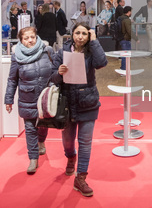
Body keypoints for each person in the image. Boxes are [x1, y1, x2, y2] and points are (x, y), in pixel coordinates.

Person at [51, 22, 108, 197]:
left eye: (84, 33)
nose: (81, 36)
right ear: (72, 34)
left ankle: (81, 177)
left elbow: (102, 63)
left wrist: (95, 41)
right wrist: (59, 73)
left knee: (85, 142)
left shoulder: (91, 51)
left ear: (88, 35)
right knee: (68, 140)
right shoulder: (62, 52)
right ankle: (70, 157)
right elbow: (52, 77)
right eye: (78, 33)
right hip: (67, 103)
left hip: (88, 101)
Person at [5, 27, 53, 173]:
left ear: (36, 36)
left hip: (45, 96)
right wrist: (9, 99)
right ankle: (33, 158)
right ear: (20, 40)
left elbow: (56, 70)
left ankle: (41, 142)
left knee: (44, 124)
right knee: (30, 128)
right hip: (28, 97)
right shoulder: (16, 57)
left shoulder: (47, 51)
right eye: (26, 38)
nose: (30, 40)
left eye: (32, 37)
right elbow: (12, 80)